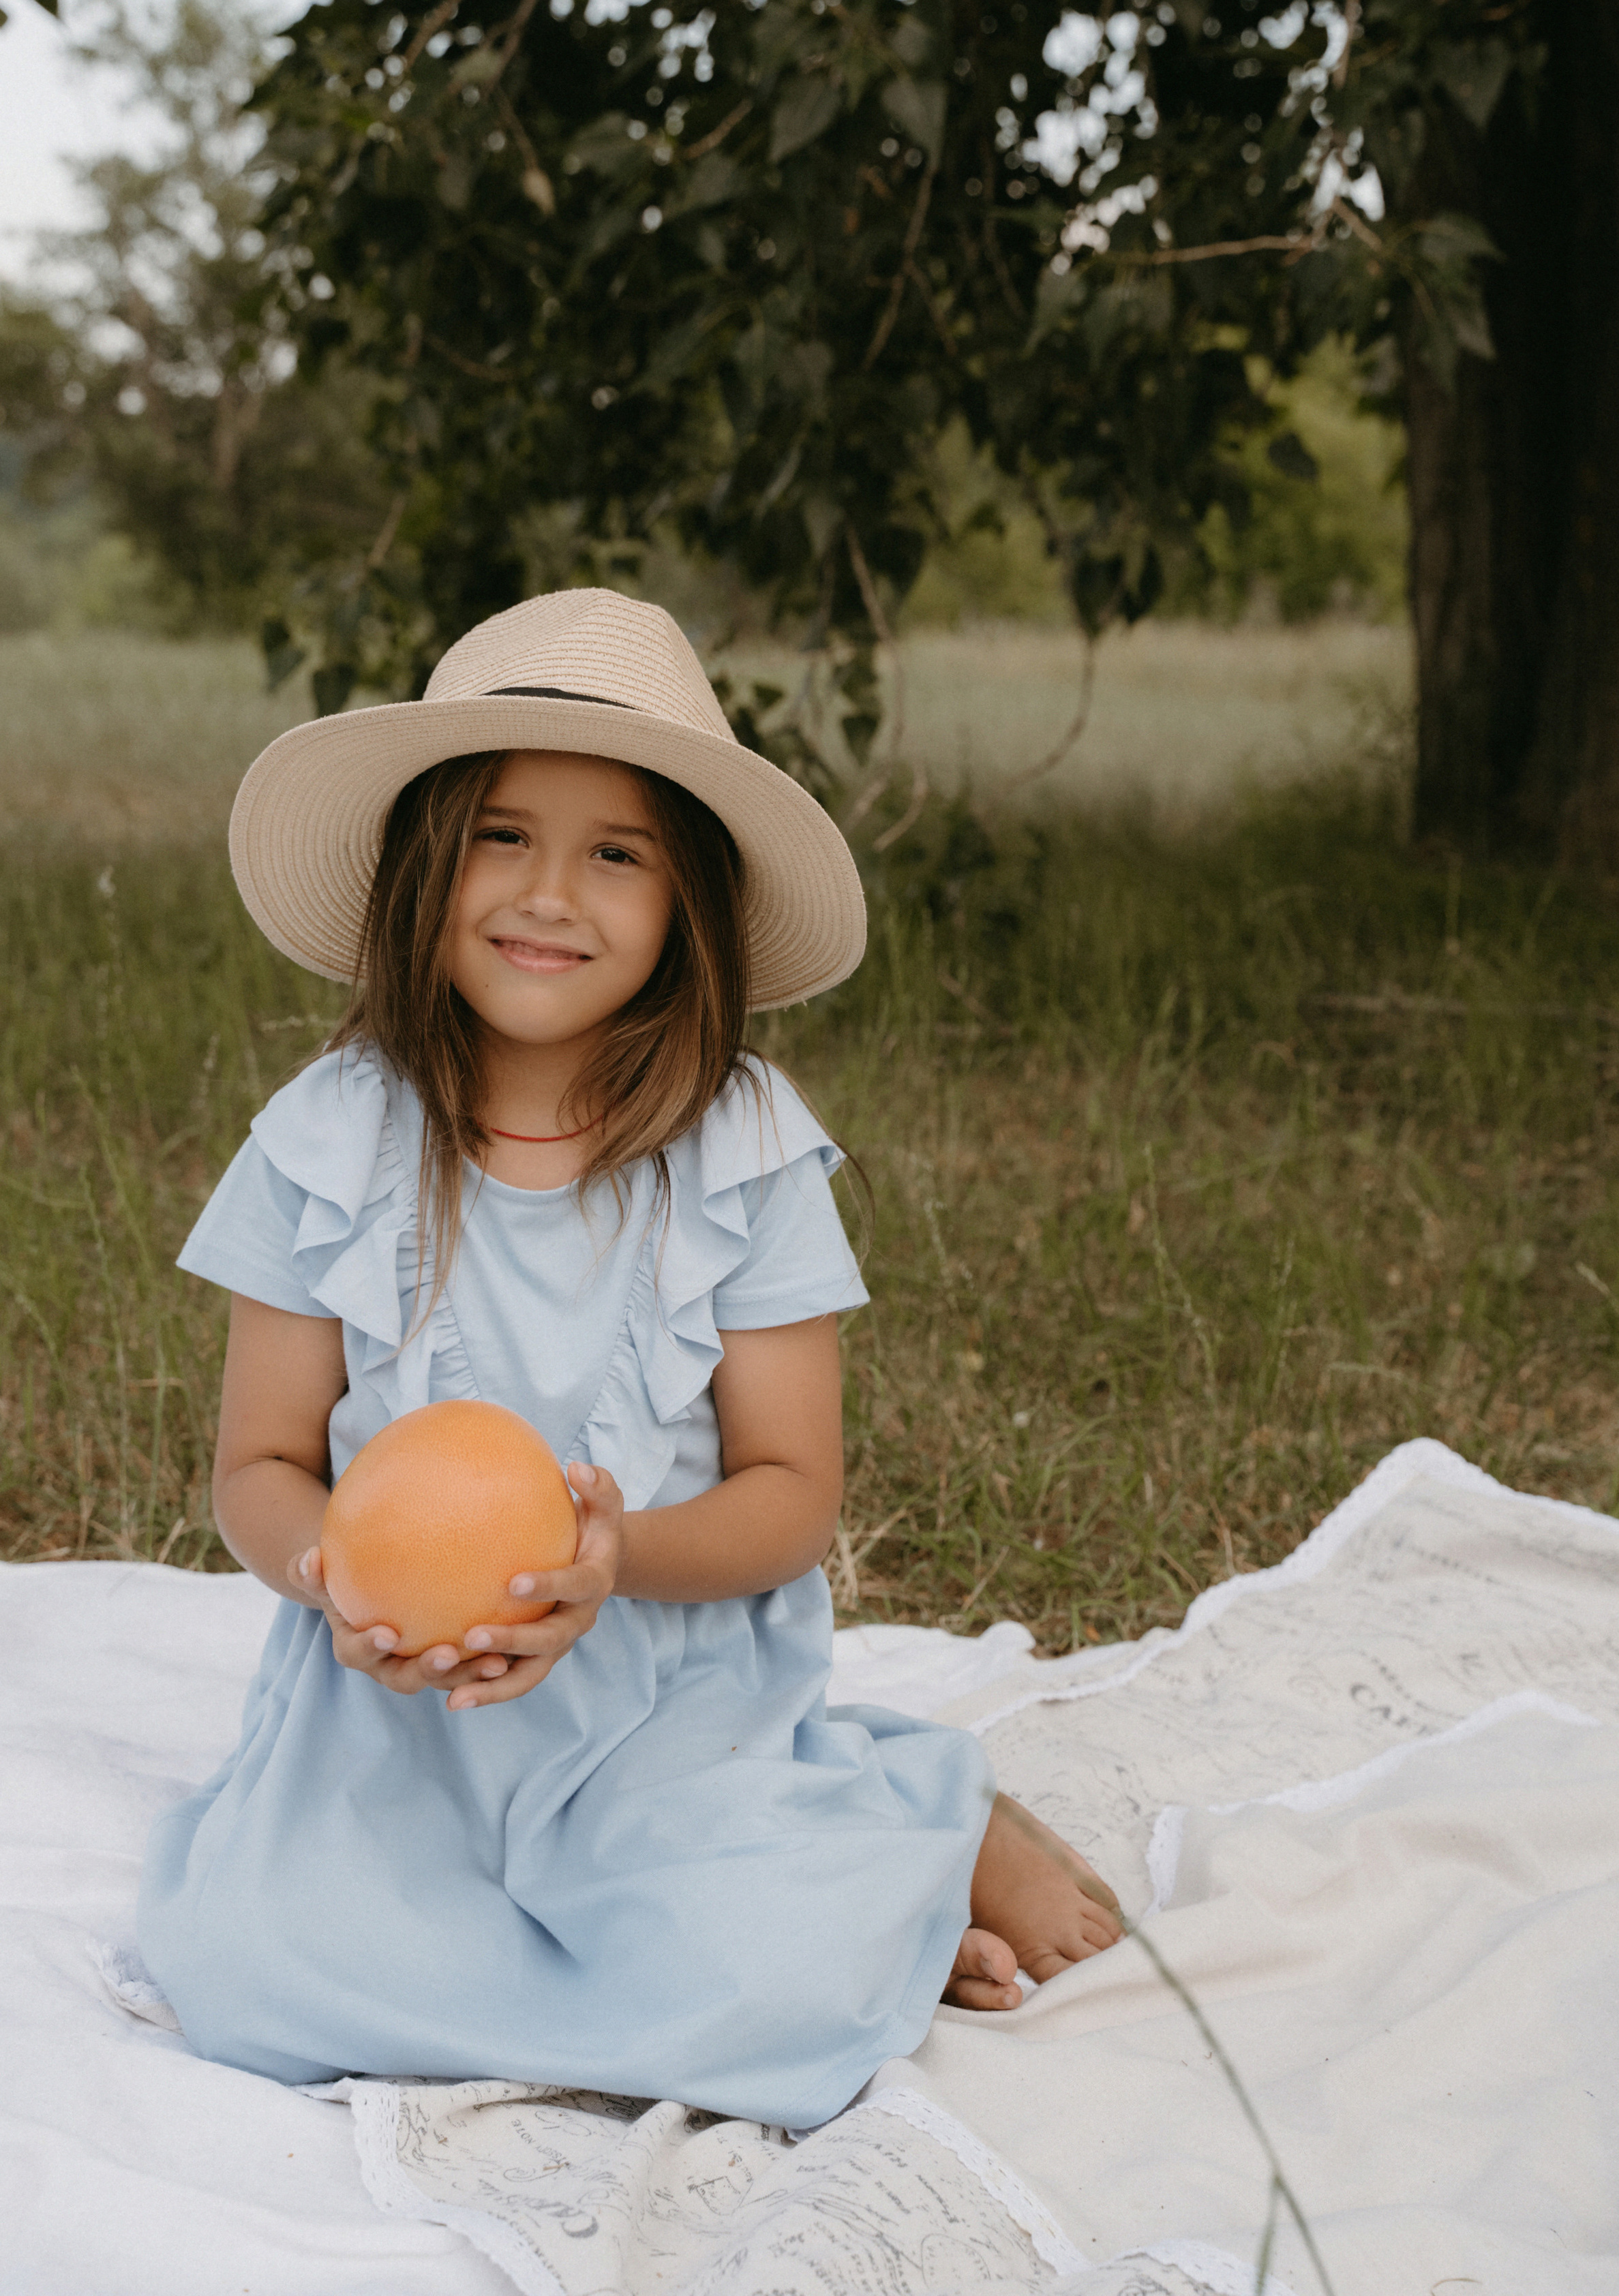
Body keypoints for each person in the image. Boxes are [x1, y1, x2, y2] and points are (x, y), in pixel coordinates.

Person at [138, 588, 1121, 2130]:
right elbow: (256, 1463)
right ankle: (802, 1887)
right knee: (248, 1973)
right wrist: (333, 1570)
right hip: (393, 1717)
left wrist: (611, 1568)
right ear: (421, 865)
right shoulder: (327, 1138)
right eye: (500, 836)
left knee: (776, 1991)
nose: (549, 894)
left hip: (666, 1701)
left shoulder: (740, 1153)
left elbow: (791, 1494)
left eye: (617, 853)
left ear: (689, 906)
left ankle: (918, 1821)